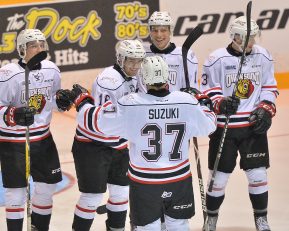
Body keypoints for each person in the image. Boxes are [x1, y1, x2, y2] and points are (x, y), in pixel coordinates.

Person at [71, 56, 217, 231]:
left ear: (144, 78)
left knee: (147, 227)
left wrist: (82, 101)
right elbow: (210, 124)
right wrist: (202, 101)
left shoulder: (131, 104)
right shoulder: (186, 101)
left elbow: (96, 122)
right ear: (167, 77)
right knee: (179, 225)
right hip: (179, 179)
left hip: (145, 182)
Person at [200, 16, 278, 231]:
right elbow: (207, 92)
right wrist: (221, 102)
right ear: (233, 36)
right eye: (244, 38)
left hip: (253, 128)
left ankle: (261, 219)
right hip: (225, 128)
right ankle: (212, 219)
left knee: (258, 175)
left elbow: (270, 86)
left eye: (252, 37)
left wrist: (266, 108)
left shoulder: (263, 55)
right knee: (218, 178)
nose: (250, 42)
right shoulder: (216, 59)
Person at [0, 29, 73, 231]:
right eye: (33, 45)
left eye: (42, 45)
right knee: (16, 193)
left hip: (43, 138)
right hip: (14, 141)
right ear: (22, 49)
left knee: (47, 186)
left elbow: (50, 102)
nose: (39, 49)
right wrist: (11, 114)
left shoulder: (51, 70)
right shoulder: (8, 74)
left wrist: (62, 102)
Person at [71, 39, 146, 231]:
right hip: (92, 145)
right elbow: (104, 123)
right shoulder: (109, 81)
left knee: (121, 193)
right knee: (92, 197)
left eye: (138, 61)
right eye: (131, 61)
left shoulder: (137, 76)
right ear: (120, 59)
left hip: (118, 144)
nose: (135, 66)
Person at [137, 11, 198, 93]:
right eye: (155, 30)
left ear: (170, 31)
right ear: (150, 32)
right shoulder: (140, 54)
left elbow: (192, 91)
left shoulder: (185, 56)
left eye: (163, 30)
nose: (159, 35)